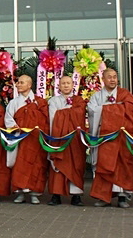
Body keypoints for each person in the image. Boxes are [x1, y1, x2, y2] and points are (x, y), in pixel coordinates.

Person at [87, 68, 133, 208]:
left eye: (115, 77)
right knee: (104, 165)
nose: (112, 79)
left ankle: (122, 197)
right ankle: (104, 197)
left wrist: (106, 109)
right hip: (105, 138)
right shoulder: (96, 96)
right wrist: (116, 108)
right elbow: (91, 110)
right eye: (109, 77)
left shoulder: (126, 95)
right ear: (103, 79)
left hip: (121, 137)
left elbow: (132, 111)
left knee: (123, 165)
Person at [5, 74, 49, 204]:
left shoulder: (40, 102)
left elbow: (46, 119)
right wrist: (14, 127)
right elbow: (8, 118)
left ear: (29, 85)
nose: (18, 84)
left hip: (35, 139)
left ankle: (35, 193)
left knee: (36, 165)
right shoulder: (14, 103)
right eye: (18, 82)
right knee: (20, 165)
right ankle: (20, 192)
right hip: (20, 138)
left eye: (21, 82)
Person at [47, 76, 87, 206]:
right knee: (58, 166)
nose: (65, 85)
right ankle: (56, 195)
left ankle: (76, 196)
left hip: (75, 139)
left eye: (68, 83)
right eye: (63, 83)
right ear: (59, 86)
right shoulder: (53, 101)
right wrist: (53, 138)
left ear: (73, 85)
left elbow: (79, 115)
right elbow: (52, 119)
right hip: (58, 137)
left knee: (76, 165)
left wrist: (63, 113)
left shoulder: (79, 100)